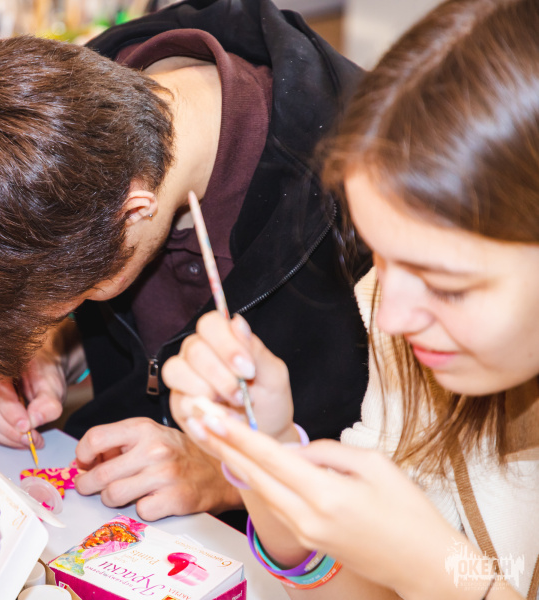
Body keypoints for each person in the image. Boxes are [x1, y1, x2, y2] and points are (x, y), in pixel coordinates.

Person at [0, 0, 371, 524]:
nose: (62, 311)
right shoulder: (65, 127)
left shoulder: (366, 198)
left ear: (135, 211)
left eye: (65, 301)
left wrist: (221, 474)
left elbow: (400, 463)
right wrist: (49, 348)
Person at [162, 0, 539, 596]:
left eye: (447, 285)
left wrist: (432, 569)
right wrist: (268, 453)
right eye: (380, 258)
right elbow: (357, 589)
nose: (389, 316)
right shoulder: (408, 336)